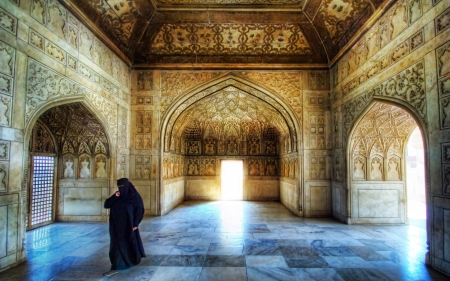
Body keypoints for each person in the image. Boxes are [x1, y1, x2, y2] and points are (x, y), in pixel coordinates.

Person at [103, 178, 146, 276]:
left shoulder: (134, 197)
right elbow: (106, 205)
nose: (120, 189)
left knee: (124, 244)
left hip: (128, 226)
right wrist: (114, 196)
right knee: (116, 245)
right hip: (115, 226)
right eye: (119, 187)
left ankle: (117, 266)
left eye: (122, 187)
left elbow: (140, 210)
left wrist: (135, 223)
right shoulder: (118, 196)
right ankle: (119, 264)